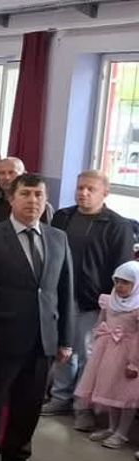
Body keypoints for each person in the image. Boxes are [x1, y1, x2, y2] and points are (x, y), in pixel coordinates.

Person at [0, 173, 73, 461]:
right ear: (11, 199)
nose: (33, 201)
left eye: (39, 195)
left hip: (43, 339)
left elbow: (64, 291)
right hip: (2, 339)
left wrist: (65, 339)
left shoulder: (57, 238)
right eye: (26, 194)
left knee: (29, 407)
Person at [45, 171, 135, 425]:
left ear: (105, 193)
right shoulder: (63, 217)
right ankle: (60, 396)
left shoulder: (118, 226)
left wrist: (110, 303)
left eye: (90, 189)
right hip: (61, 295)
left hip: (93, 300)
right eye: (80, 188)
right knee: (63, 349)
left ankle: (82, 405)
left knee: (87, 354)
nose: (83, 193)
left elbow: (121, 269)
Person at [74, 261, 139, 450]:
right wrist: (96, 344)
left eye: (125, 282)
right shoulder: (109, 301)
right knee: (111, 390)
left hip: (129, 354)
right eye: (116, 281)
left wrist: (134, 362)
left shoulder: (136, 307)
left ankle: (122, 432)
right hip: (108, 351)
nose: (119, 286)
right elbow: (101, 324)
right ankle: (111, 427)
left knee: (126, 395)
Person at [0, 156, 52, 232]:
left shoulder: (39, 206)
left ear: (23, 174)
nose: (6, 177)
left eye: (11, 172)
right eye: (2, 173)